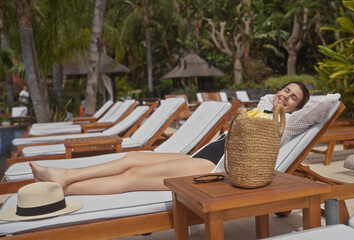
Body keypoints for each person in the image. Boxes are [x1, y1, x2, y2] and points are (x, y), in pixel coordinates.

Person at [30, 82, 310, 196]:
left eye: (292, 98)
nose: (285, 96)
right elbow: (267, 101)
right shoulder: (261, 108)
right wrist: (273, 102)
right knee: (132, 157)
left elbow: (320, 108)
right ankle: (67, 173)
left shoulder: (284, 123)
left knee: (134, 175)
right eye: (285, 90)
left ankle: (63, 190)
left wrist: (304, 106)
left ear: (297, 108)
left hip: (214, 169)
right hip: (201, 155)